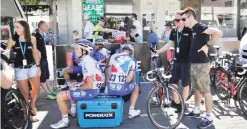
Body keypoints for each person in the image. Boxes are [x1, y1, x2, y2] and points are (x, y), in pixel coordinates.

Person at [181, 7, 223, 128]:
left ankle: (209, 117)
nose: (183, 21)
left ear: (190, 17)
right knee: (196, 89)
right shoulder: (193, 29)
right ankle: (196, 110)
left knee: (206, 91)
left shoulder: (200, 27)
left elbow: (218, 33)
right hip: (194, 63)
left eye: (184, 19)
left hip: (201, 64)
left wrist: (207, 45)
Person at [50, 42, 104, 129]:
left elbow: (89, 86)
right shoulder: (87, 60)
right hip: (93, 88)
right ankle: (73, 111)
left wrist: (77, 87)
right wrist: (75, 85)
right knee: (72, 86)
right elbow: (87, 81)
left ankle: (65, 122)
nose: (75, 51)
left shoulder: (88, 62)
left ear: (85, 51)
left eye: (77, 49)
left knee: (59, 96)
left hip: (91, 91)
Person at [155, 11, 192, 113]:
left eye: (177, 20)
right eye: (174, 20)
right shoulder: (174, 31)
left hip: (186, 61)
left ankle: (183, 104)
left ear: (183, 20)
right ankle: (177, 102)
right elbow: (169, 44)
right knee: (173, 82)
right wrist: (158, 51)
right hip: (176, 60)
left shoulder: (189, 31)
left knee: (185, 84)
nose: (175, 22)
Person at [6, 20, 41, 122]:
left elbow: (34, 52)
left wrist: (38, 66)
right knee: (25, 94)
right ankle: (26, 114)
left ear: (24, 28)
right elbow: (7, 53)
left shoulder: (32, 39)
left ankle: (32, 105)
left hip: (32, 67)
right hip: (20, 69)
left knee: (36, 89)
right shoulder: (12, 40)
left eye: (18, 27)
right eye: (15, 27)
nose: (15, 29)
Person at [107, 44, 140, 119]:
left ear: (121, 50)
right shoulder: (132, 59)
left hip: (110, 89)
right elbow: (129, 79)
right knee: (136, 87)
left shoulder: (113, 56)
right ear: (131, 52)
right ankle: (131, 110)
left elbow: (108, 72)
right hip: (121, 89)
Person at [33, 21, 56, 99]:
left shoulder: (42, 34)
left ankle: (50, 91)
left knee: (46, 76)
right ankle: (48, 93)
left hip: (44, 58)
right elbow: (34, 47)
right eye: (46, 26)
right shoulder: (35, 35)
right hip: (40, 59)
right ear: (41, 26)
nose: (47, 27)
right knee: (42, 77)